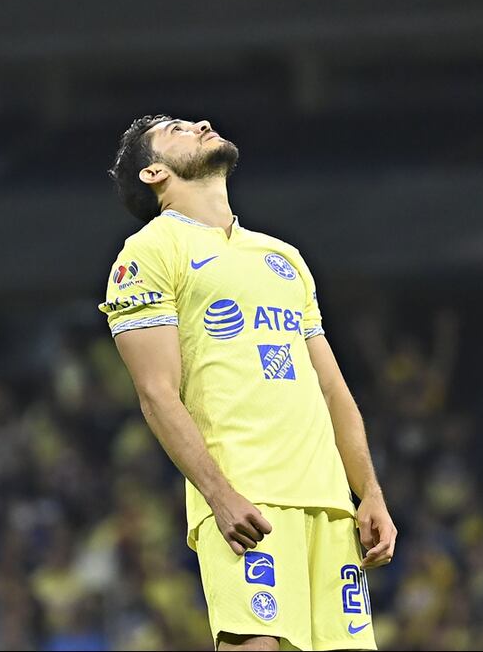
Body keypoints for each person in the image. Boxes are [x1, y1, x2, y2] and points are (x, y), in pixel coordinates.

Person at [101, 115, 396, 651]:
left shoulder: (284, 257)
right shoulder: (148, 253)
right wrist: (219, 496)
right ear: (154, 173)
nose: (201, 124)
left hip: (328, 502)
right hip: (247, 497)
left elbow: (332, 390)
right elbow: (156, 393)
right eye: (177, 129)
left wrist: (368, 492)